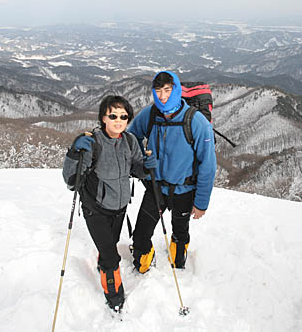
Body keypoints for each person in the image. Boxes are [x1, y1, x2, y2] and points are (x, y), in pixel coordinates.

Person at [62, 95, 157, 310]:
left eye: (123, 116)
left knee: (109, 245)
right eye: (112, 115)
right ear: (103, 118)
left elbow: (137, 169)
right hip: (95, 209)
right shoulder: (92, 143)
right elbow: (70, 180)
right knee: (111, 257)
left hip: (119, 207)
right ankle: (115, 299)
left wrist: (148, 167)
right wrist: (74, 153)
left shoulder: (129, 141)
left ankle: (103, 263)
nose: (118, 120)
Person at [127, 71, 217, 273]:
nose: (162, 96)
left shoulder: (196, 121)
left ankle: (178, 261)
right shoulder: (150, 115)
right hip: (155, 187)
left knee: (180, 230)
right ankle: (143, 260)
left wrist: (201, 203)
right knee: (141, 233)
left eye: (167, 90)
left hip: (184, 190)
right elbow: (131, 137)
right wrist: (142, 160)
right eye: (158, 91)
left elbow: (208, 165)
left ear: (176, 89)